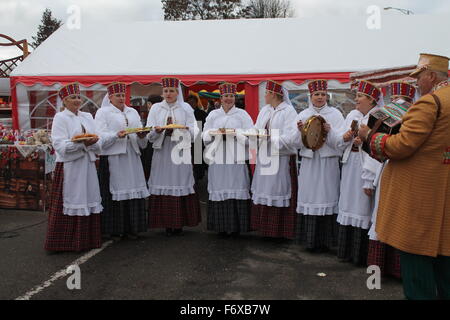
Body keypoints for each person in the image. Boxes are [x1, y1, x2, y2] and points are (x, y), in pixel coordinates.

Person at [359, 53, 450, 300]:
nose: (416, 83)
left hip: (419, 200)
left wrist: (369, 136)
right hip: (443, 196)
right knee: (444, 264)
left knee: (417, 270)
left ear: (431, 76)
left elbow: (402, 145)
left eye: (419, 77)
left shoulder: (430, 102)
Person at [367, 81, 417, 278]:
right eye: (395, 99)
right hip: (388, 167)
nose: (397, 102)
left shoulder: (415, 117)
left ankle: (391, 268)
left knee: (396, 214)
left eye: (401, 99)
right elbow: (373, 142)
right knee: (386, 213)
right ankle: (384, 267)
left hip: (401, 169)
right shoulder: (385, 113)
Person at [330, 80, 383, 265]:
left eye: (360, 96)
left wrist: (369, 180)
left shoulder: (377, 118)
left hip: (363, 169)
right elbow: (338, 141)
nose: (357, 99)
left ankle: (360, 255)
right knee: (347, 203)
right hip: (350, 165)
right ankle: (346, 251)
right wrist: (345, 138)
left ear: (371, 100)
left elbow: (379, 150)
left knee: (362, 206)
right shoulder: (353, 115)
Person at [45, 82, 103, 252]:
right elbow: (60, 146)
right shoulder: (60, 118)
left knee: (88, 197)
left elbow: (96, 139)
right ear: (64, 101)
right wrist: (81, 144)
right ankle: (66, 242)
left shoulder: (87, 116)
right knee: (73, 199)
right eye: (72, 98)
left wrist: (92, 142)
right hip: (71, 166)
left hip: (87, 164)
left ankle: (88, 240)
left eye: (78, 97)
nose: (77, 100)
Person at [292, 80, 345, 252]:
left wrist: (330, 131)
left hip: (328, 162)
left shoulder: (336, 114)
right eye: (317, 94)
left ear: (327, 96)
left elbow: (340, 143)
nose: (320, 97)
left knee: (327, 194)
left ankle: (328, 241)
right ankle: (310, 241)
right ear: (311, 96)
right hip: (309, 163)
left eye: (323, 94)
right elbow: (294, 143)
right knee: (310, 196)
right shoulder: (302, 115)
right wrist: (301, 132)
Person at [145, 77, 201, 236]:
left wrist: (184, 130)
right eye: (166, 91)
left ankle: (179, 223)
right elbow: (149, 133)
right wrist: (156, 131)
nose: (168, 94)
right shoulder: (156, 108)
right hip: (162, 151)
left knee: (179, 181)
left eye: (172, 91)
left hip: (180, 151)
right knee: (162, 181)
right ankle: (165, 223)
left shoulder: (186, 108)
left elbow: (196, 131)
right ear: (162, 92)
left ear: (178, 92)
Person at [95, 82, 150, 241]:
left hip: (131, 155)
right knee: (114, 191)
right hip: (114, 157)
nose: (121, 98)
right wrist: (115, 135)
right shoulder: (103, 113)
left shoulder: (132, 111)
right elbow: (99, 136)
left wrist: (141, 135)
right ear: (110, 97)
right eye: (117, 95)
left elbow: (139, 131)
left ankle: (133, 228)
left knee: (133, 189)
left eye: (123, 95)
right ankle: (115, 229)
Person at [202, 82, 254, 237]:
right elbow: (204, 135)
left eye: (231, 96)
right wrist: (213, 132)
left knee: (237, 187)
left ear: (235, 97)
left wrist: (235, 133)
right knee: (219, 187)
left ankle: (236, 227)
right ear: (221, 97)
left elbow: (251, 135)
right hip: (218, 157)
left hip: (236, 157)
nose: (228, 99)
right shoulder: (213, 115)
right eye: (226, 96)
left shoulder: (242, 115)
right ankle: (221, 227)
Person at [250, 80, 298, 240]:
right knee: (264, 190)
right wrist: (253, 135)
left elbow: (292, 136)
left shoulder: (288, 111)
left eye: (266, 93)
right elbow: (257, 127)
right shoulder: (265, 110)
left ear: (273, 94)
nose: (264, 95)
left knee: (278, 190)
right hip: (265, 156)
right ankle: (265, 229)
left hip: (280, 158)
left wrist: (272, 138)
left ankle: (280, 231)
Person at [186, 94, 208, 185]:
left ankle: (198, 177)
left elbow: (205, 126)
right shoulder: (185, 113)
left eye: (193, 102)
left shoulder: (201, 113)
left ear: (196, 103)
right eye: (189, 102)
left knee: (198, 160)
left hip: (198, 139)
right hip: (187, 140)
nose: (191, 104)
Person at [141, 94, 163, 181]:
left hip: (154, 144)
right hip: (150, 142)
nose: (147, 105)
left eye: (149, 103)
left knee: (150, 164)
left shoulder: (157, 113)